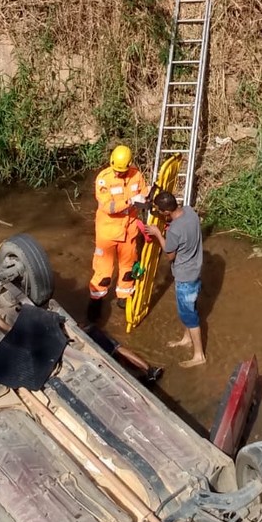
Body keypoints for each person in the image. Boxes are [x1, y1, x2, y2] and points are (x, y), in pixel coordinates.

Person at [143, 190, 205, 367]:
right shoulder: (190, 212)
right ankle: (187, 339)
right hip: (196, 270)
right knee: (189, 309)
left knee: (189, 316)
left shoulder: (174, 231)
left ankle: (199, 355)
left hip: (185, 277)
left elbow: (170, 255)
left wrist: (157, 234)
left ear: (166, 212)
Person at [89, 145, 150, 320]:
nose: (119, 174)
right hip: (108, 232)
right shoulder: (104, 179)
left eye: (122, 171)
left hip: (129, 231)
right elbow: (109, 206)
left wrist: (146, 197)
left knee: (128, 268)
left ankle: (124, 299)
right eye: (117, 170)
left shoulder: (136, 175)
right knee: (103, 272)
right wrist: (131, 200)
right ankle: (95, 306)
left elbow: (143, 193)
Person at [83, 324, 164, 385]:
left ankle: (142, 377)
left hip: (87, 337)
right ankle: (149, 371)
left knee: (115, 357)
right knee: (117, 349)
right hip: (90, 332)